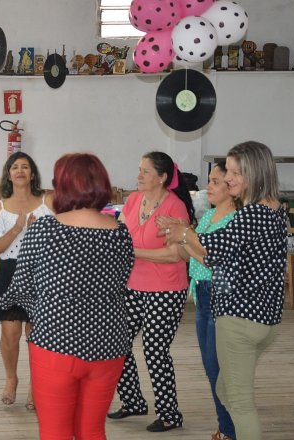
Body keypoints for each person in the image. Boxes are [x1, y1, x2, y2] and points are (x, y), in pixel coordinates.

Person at [159, 141, 287, 440]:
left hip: (240, 318)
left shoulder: (251, 214)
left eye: (234, 172)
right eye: (226, 170)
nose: (228, 178)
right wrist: (187, 234)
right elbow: (214, 255)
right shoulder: (276, 210)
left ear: (254, 173)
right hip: (263, 319)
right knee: (224, 388)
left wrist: (184, 232)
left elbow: (210, 249)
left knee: (240, 403)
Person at [0, 153, 134, 439]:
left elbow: (23, 287)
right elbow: (122, 282)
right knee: (93, 431)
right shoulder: (121, 233)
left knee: (55, 432)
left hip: (55, 342)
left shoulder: (45, 230)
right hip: (108, 343)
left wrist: (37, 307)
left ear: (62, 185)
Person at [108, 151, 195, 433]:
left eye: (145, 171)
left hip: (165, 289)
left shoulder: (176, 207)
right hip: (132, 285)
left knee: (155, 350)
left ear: (162, 177)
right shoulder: (133, 201)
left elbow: (176, 255)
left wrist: (133, 252)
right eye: (139, 169)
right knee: (116, 342)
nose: (139, 175)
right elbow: (120, 234)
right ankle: (133, 401)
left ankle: (170, 414)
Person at [0, 151, 53, 409]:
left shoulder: (49, 202)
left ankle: (37, 385)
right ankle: (11, 378)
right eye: (15, 167)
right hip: (11, 270)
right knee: (10, 331)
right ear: (9, 174)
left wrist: (38, 232)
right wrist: (16, 228)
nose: (20, 171)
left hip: (42, 271)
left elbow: (62, 239)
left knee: (36, 333)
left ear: (32, 174)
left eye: (25, 167)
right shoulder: (0, 207)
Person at [187, 161, 237, 440]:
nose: (209, 186)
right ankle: (225, 427)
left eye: (216, 181)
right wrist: (182, 237)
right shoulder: (210, 216)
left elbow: (210, 258)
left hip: (220, 296)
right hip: (203, 295)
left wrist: (185, 237)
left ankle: (229, 430)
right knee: (211, 368)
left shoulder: (234, 220)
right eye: (210, 180)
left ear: (232, 186)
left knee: (219, 369)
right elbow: (195, 250)